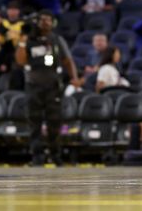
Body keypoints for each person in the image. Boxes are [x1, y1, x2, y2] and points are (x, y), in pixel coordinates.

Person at [15, 9, 82, 166]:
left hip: (53, 86)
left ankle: (55, 155)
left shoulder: (57, 39)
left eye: (48, 20)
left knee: (54, 122)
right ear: (37, 22)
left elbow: (67, 60)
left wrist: (74, 77)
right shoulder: (29, 40)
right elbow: (20, 61)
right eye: (42, 19)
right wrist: (23, 40)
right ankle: (37, 156)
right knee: (34, 123)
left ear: (53, 23)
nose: (45, 22)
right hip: (34, 86)